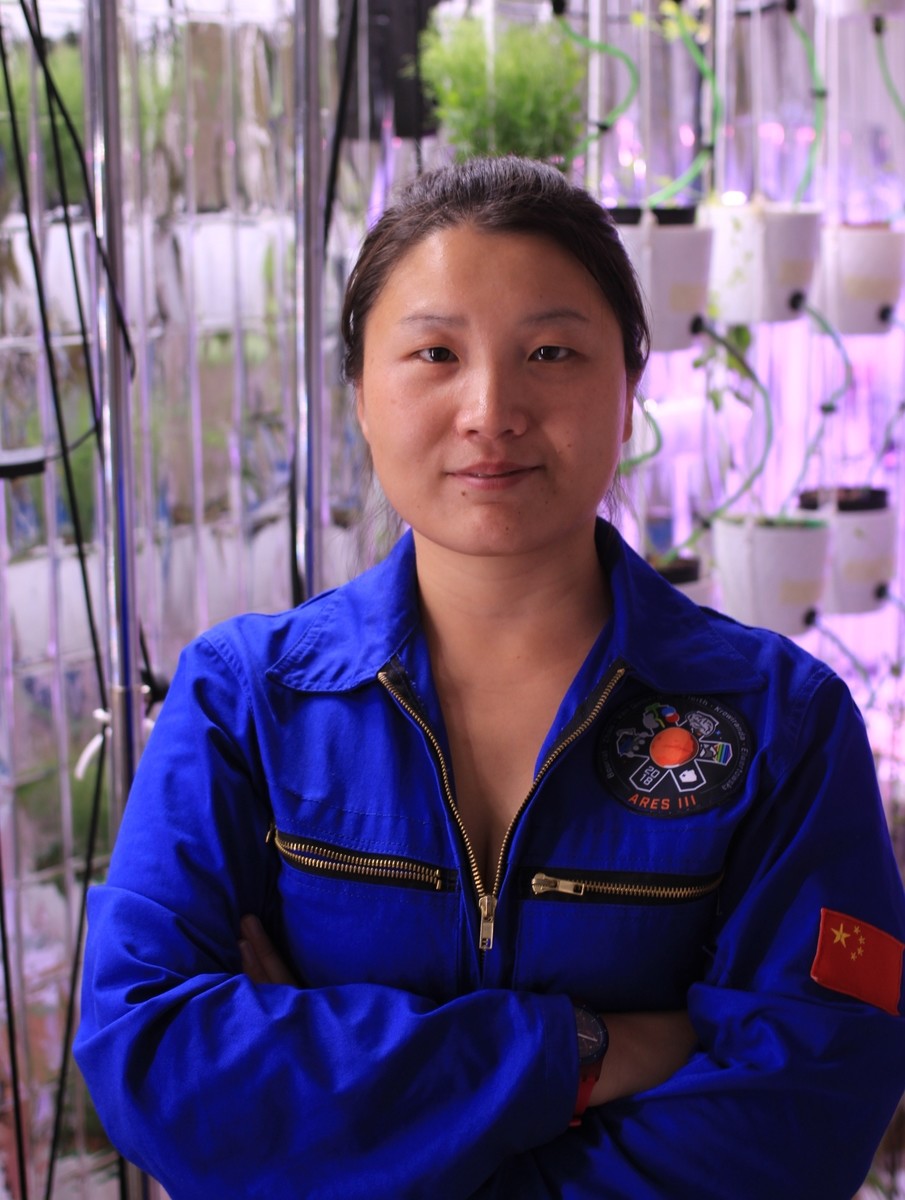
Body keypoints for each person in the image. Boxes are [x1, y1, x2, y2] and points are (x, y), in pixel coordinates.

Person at [74, 156, 905, 1199]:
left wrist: (349, 1134)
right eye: (434, 353)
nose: (490, 409)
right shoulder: (245, 701)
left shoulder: (782, 722)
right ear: (360, 396)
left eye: (550, 352)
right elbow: (154, 1059)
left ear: (628, 390)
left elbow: (801, 1114)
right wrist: (582, 1052)